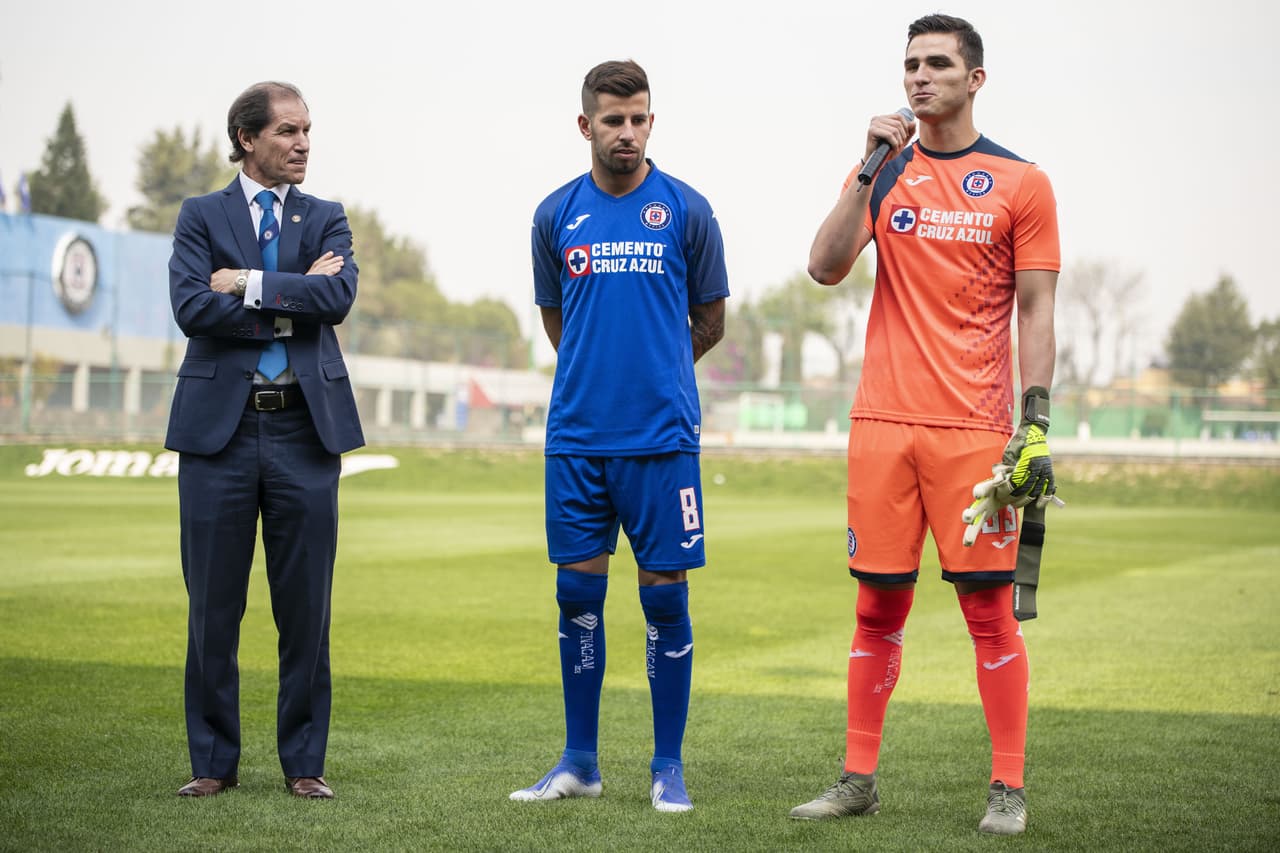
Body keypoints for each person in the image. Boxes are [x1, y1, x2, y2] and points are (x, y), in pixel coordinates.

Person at [788, 15, 1060, 835]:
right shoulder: (884, 169)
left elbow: (1038, 308)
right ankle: (857, 778)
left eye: (938, 64)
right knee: (876, 610)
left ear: (975, 79)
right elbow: (825, 265)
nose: (919, 77)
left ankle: (1006, 788)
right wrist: (865, 169)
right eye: (910, 64)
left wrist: (1035, 419)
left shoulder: (1022, 182)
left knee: (989, 613)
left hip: (973, 430)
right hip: (881, 425)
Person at [509, 59, 729, 814]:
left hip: (663, 440)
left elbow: (710, 320)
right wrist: (601, 375)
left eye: (638, 118)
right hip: (577, 438)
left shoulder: (688, 210)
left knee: (666, 597)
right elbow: (557, 325)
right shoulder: (553, 215)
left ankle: (667, 765)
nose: (627, 132)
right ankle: (579, 760)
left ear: (650, 121)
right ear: (586, 126)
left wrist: (653, 371)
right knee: (577, 594)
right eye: (613, 120)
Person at [166, 81, 363, 800]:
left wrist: (246, 283)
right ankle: (213, 763)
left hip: (305, 431)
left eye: (308, 130)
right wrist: (289, 296)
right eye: (286, 131)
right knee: (213, 606)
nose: (302, 143)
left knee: (305, 607)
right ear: (247, 138)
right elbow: (192, 307)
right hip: (216, 435)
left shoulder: (328, 218)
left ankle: (304, 763)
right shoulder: (199, 215)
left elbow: (336, 298)